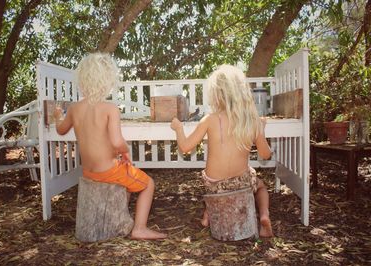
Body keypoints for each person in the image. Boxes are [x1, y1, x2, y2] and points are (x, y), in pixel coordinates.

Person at [53, 52, 166, 240]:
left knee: (128, 182)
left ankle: (119, 218)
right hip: (108, 171)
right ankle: (140, 228)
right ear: (107, 81)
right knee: (148, 184)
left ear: (83, 80)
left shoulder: (73, 108)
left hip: (89, 172)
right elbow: (116, 141)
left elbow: (61, 130)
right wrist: (125, 151)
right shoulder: (110, 108)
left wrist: (57, 117)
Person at [170, 64, 273, 238]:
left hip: (214, 185)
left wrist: (179, 129)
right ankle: (264, 215)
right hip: (241, 184)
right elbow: (266, 155)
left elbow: (185, 147)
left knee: (216, 188)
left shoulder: (210, 119)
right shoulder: (252, 120)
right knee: (261, 187)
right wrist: (261, 130)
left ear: (216, 95)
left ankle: (208, 214)